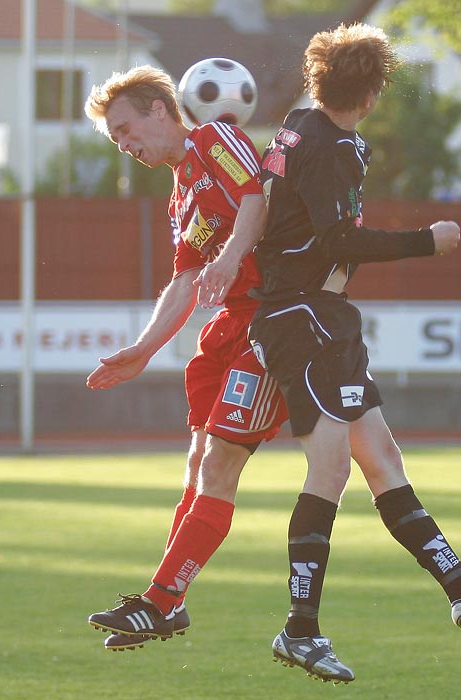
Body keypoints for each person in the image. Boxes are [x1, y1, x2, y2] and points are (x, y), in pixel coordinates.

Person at [248, 23, 461, 684]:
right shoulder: (331, 146)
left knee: (380, 460)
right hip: (305, 316)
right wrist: (425, 240)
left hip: (319, 315)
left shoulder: (302, 123)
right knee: (328, 472)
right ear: (375, 88)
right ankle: (300, 630)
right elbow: (334, 241)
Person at [83, 65, 288, 651]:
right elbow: (185, 278)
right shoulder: (180, 194)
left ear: (160, 110)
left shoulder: (214, 138)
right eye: (115, 139)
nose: (125, 144)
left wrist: (231, 258)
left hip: (270, 319)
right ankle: (168, 602)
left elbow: (258, 197)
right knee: (199, 463)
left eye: (126, 128)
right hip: (227, 330)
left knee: (222, 464)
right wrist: (144, 350)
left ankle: (160, 602)